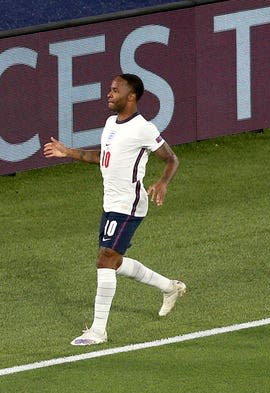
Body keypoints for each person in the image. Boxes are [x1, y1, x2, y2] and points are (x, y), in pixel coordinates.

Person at [43, 73, 187, 346]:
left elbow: (171, 158)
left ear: (131, 96)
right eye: (109, 89)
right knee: (115, 262)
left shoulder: (143, 127)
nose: (108, 94)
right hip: (111, 202)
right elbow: (104, 158)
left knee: (105, 259)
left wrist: (162, 183)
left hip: (129, 204)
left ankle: (98, 331)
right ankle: (169, 287)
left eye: (114, 90)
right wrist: (69, 152)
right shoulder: (111, 123)